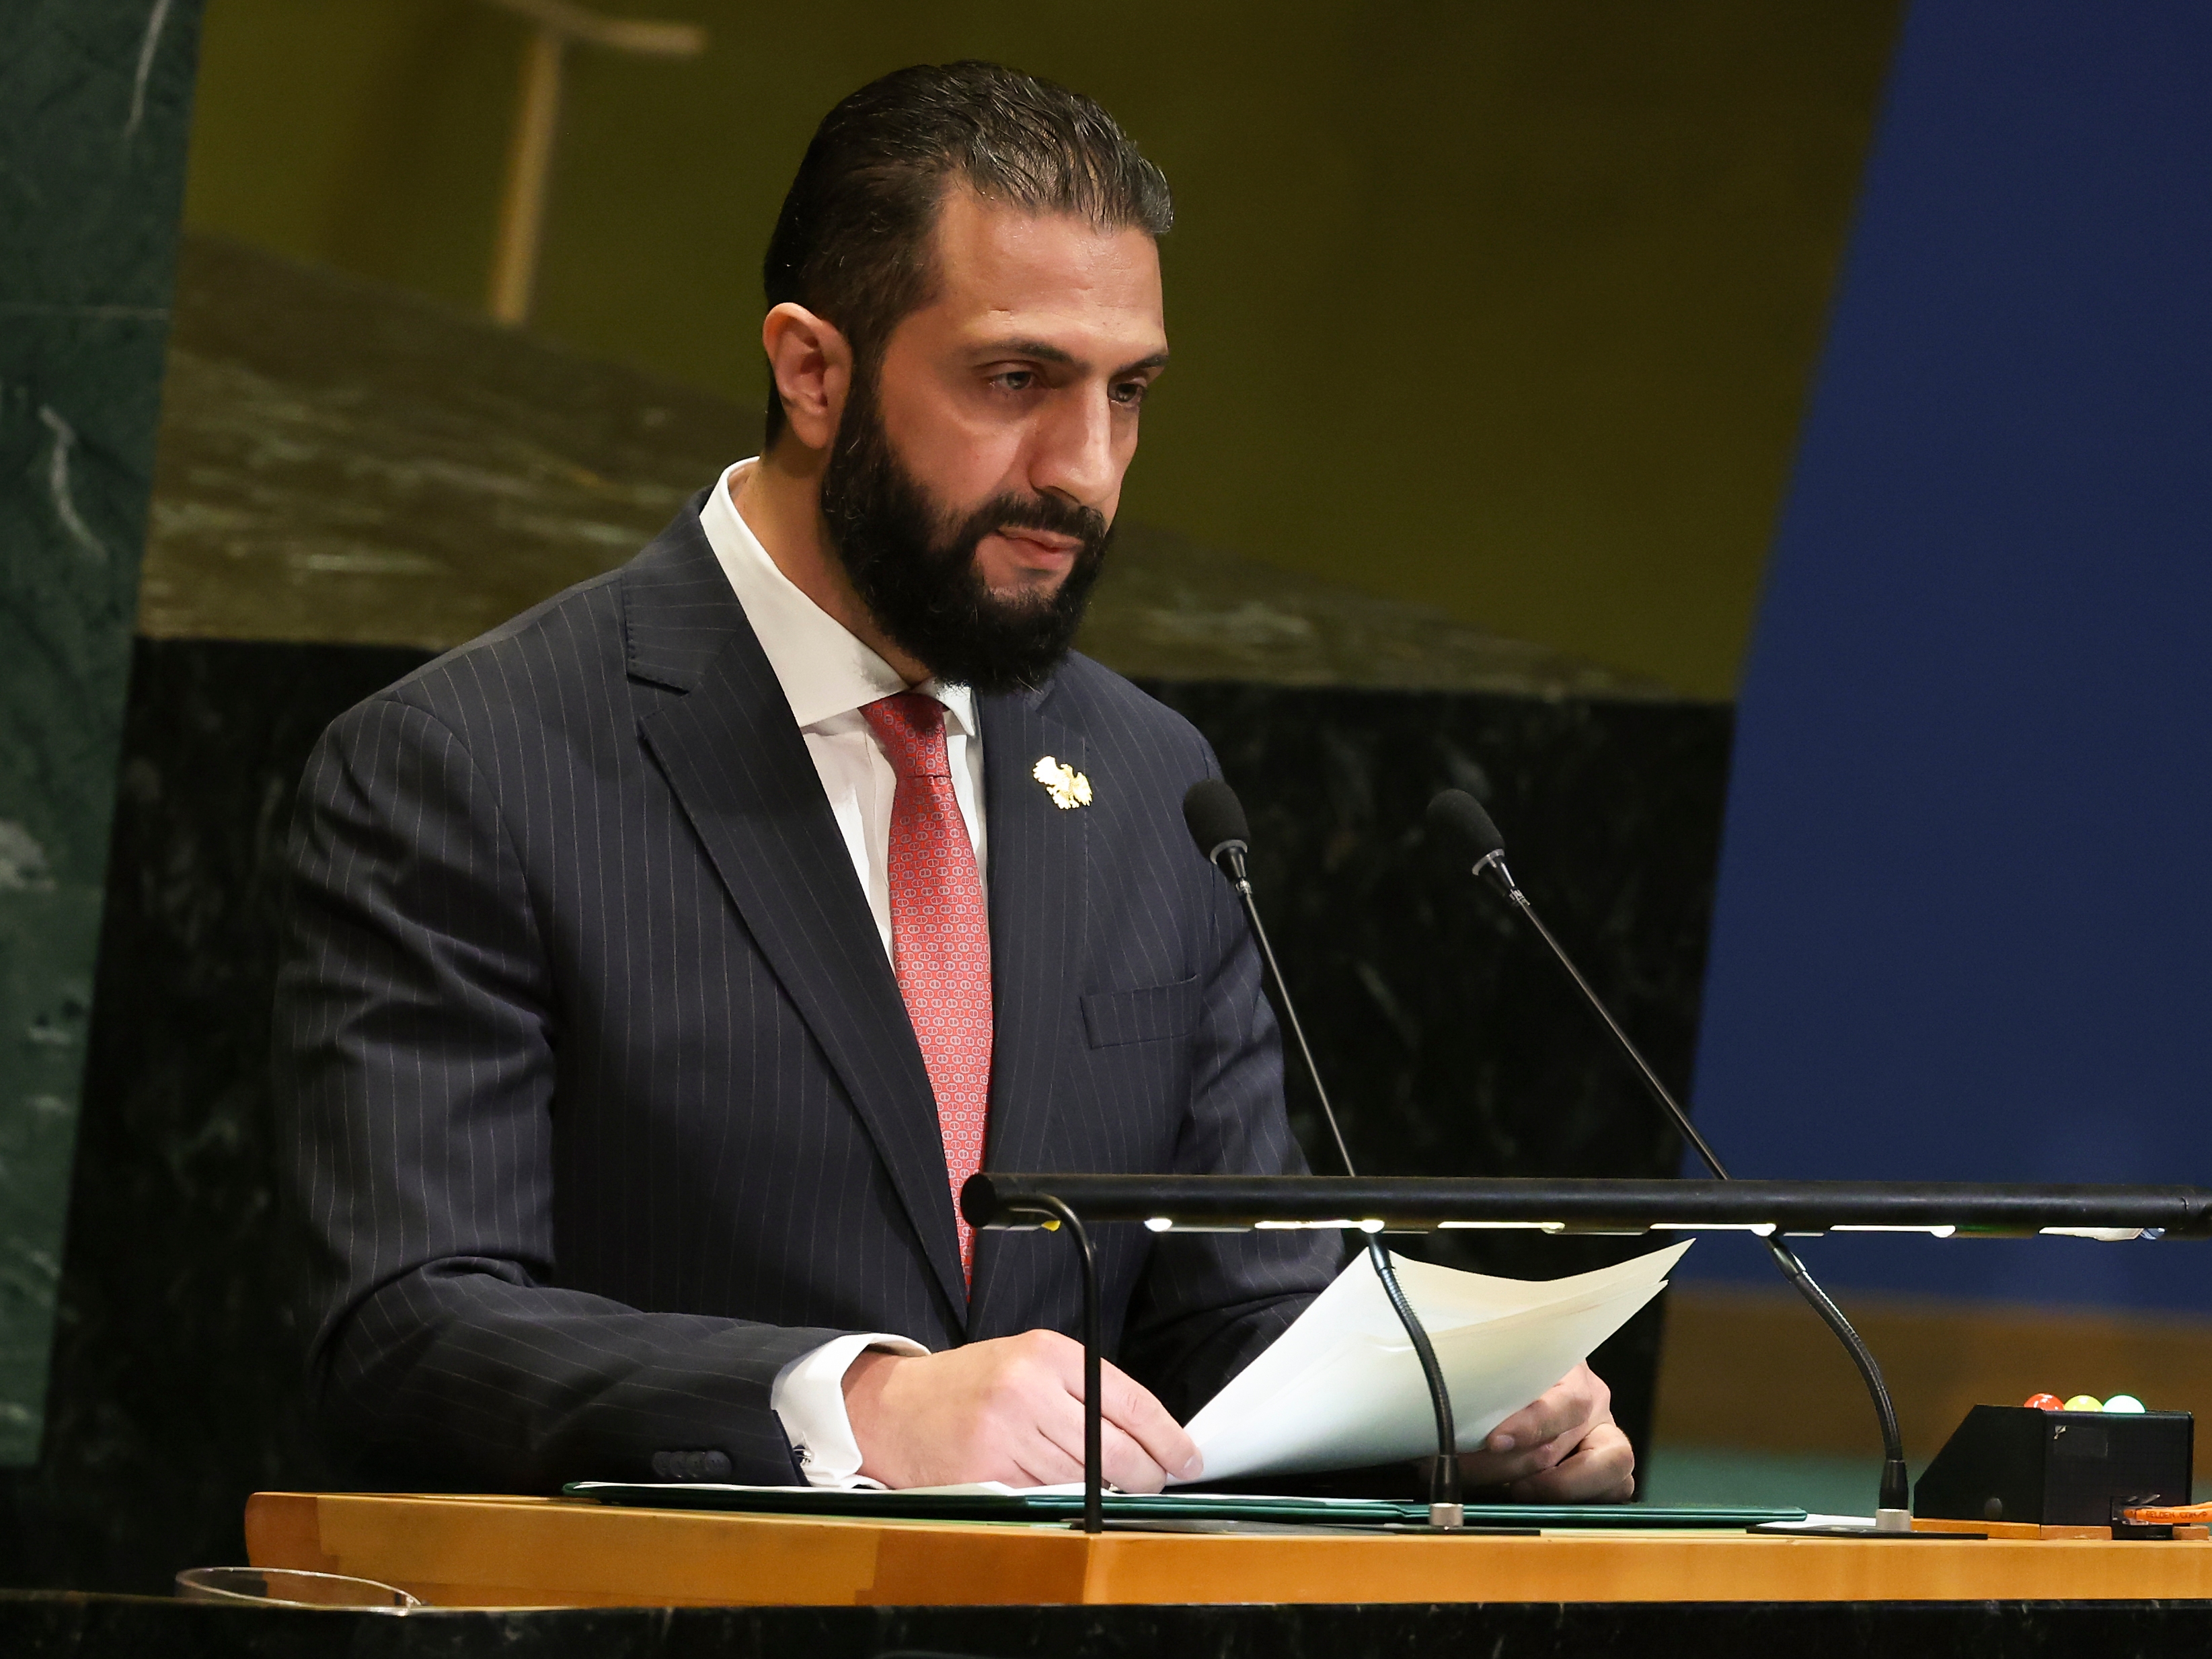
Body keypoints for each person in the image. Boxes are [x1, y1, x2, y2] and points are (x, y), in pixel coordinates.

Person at [274, 60, 1632, 1500]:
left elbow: (1227, 1301)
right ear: (813, 370)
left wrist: (1452, 1395)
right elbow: (407, 1326)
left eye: (1129, 393)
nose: (1087, 471)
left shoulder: (1152, 780)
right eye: (1016, 381)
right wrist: (856, 1406)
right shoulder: (465, 764)